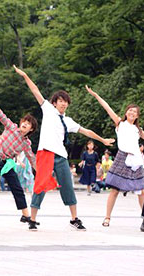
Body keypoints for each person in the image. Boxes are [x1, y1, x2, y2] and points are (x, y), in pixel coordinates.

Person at [13, 66, 114, 231]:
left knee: (67, 184)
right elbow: (35, 90)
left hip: (60, 156)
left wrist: (102, 140)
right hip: (46, 153)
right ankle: (32, 219)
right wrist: (25, 75)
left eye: (66, 102)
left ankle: (74, 219)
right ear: (55, 102)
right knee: (41, 184)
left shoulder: (68, 121)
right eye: (61, 101)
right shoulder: (48, 110)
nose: (64, 104)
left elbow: (86, 131)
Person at [85, 85, 144, 229]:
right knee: (115, 190)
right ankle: (107, 217)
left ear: (137, 116)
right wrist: (95, 95)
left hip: (136, 160)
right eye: (130, 110)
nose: (132, 112)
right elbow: (107, 107)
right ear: (126, 112)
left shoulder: (138, 129)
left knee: (141, 190)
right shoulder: (120, 123)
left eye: (134, 112)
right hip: (122, 158)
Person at [0, 88, 37, 226]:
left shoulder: (26, 143)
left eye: (28, 123)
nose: (24, 124)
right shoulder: (11, 127)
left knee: (17, 188)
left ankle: (25, 215)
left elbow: (32, 158)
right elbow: (0, 114)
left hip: (7, 164)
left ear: (31, 130)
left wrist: (40, 172)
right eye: (24, 121)